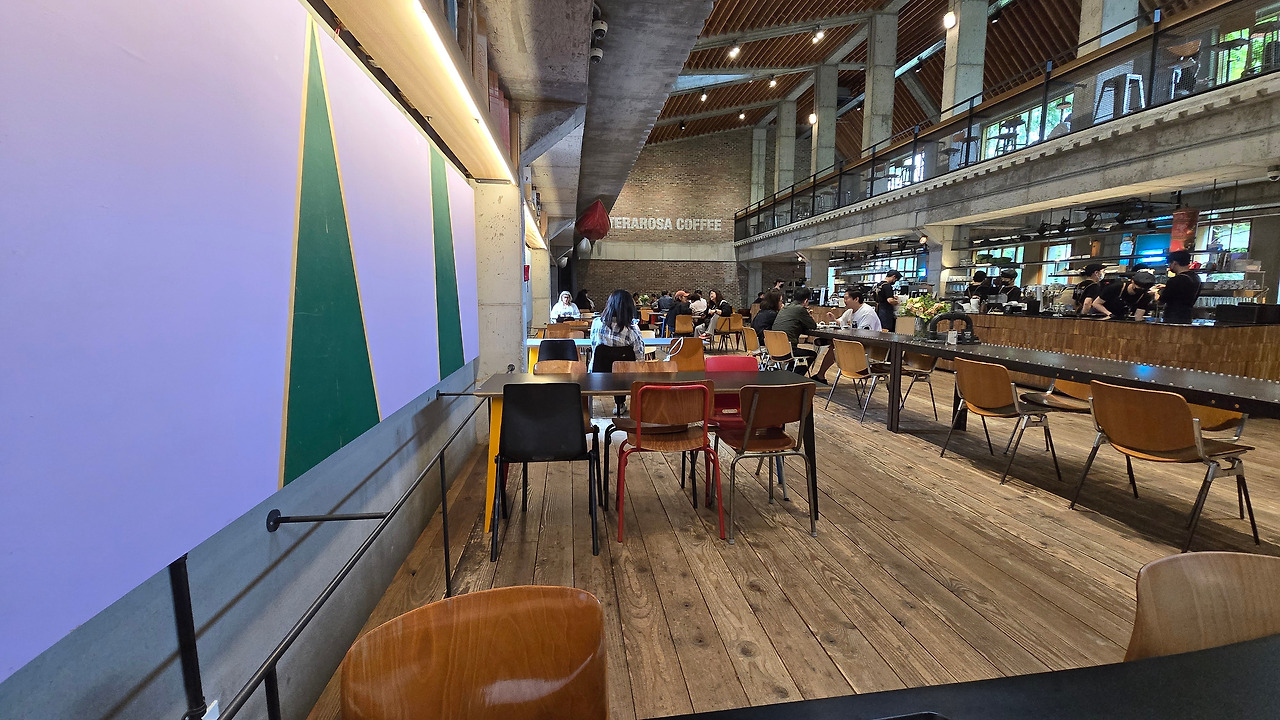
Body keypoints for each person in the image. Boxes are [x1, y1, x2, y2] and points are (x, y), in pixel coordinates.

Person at [813, 288, 880, 383]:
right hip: (855, 342)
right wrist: (833, 319)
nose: (844, 301)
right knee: (835, 346)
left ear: (856, 299)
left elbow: (863, 335)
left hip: (868, 347)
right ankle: (821, 375)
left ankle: (821, 374)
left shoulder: (867, 313)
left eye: (846, 298)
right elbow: (841, 322)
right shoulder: (850, 311)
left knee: (835, 346)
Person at [771, 287, 820, 378]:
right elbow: (813, 326)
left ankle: (789, 373)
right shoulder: (800, 309)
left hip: (774, 349)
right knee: (812, 354)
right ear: (806, 300)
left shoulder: (785, 308)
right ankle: (794, 377)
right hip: (788, 351)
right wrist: (808, 315)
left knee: (798, 353)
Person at [590, 289, 645, 365]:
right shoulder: (632, 330)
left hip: (597, 371)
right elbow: (640, 358)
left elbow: (594, 347)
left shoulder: (596, 323)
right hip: (625, 371)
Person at [1159, 249, 1202, 323]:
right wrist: (1166, 287)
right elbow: (1183, 291)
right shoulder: (1196, 277)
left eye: (1169, 264)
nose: (1169, 266)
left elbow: (1162, 300)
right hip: (1187, 316)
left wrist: (1155, 293)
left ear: (1174, 263)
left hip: (1172, 317)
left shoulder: (1175, 280)